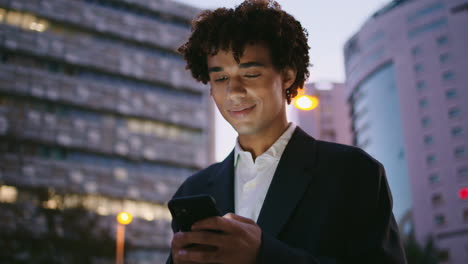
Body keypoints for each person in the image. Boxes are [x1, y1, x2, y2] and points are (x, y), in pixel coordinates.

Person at [167, 0, 407, 263]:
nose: (234, 91)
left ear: (288, 76)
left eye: (251, 74)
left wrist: (263, 255)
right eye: (220, 78)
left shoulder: (354, 171)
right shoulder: (192, 190)